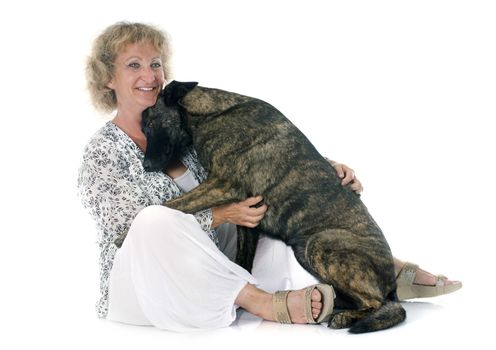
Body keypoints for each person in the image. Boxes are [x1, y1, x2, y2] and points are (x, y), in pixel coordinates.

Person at [78, 21, 461, 332]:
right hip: (142, 289)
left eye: (155, 63)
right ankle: (263, 302)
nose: (150, 75)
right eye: (134, 65)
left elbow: (253, 161)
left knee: (272, 212)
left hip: (206, 265)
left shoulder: (182, 129)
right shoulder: (103, 151)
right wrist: (222, 215)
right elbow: (126, 232)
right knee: (154, 218)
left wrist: (322, 172)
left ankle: (376, 269)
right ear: (107, 80)